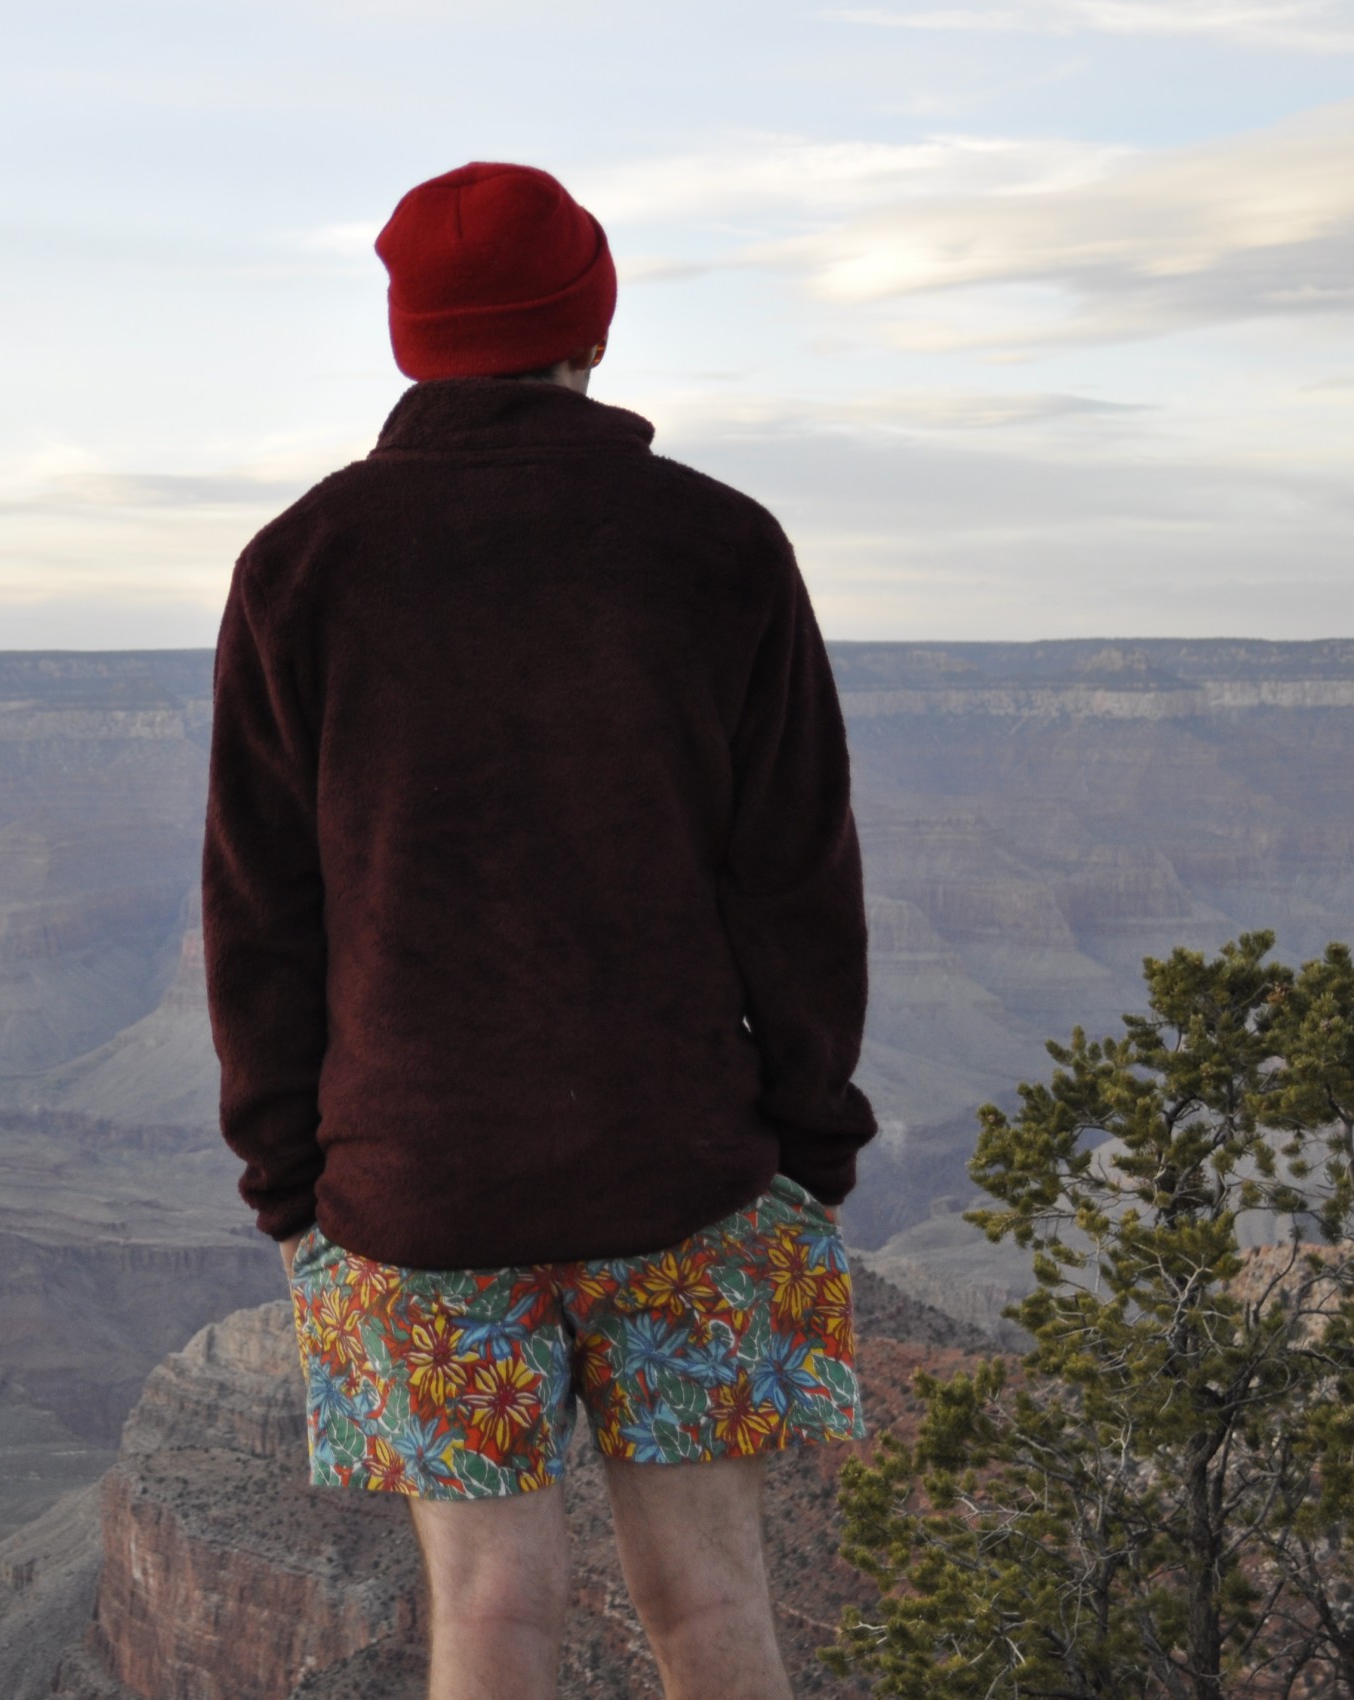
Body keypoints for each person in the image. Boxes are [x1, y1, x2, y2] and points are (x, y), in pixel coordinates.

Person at [200, 160, 875, 1700]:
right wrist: (809, 1142)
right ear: (593, 321)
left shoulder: (300, 566)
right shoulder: (720, 547)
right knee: (712, 1608)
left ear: (411, 338)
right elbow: (795, 877)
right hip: (689, 1172)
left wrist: (288, 1181)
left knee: (491, 1611)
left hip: (418, 1184)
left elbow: (259, 908)